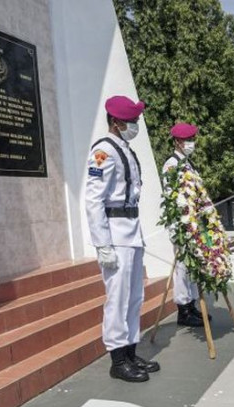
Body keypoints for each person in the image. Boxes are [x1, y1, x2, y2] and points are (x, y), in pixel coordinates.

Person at [85, 95, 160, 383]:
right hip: (115, 236)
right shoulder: (103, 152)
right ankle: (117, 360)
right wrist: (102, 243)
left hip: (131, 232)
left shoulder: (124, 149)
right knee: (117, 298)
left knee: (133, 297)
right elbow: (93, 200)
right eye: (131, 121)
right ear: (116, 122)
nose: (135, 125)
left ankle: (130, 351)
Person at [162, 122, 205, 327]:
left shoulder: (188, 163)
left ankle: (192, 304)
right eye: (188, 140)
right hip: (181, 224)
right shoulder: (172, 164)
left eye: (192, 139)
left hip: (193, 223)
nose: (191, 143)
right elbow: (172, 198)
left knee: (193, 264)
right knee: (182, 266)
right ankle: (183, 310)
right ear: (178, 142)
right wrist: (178, 226)